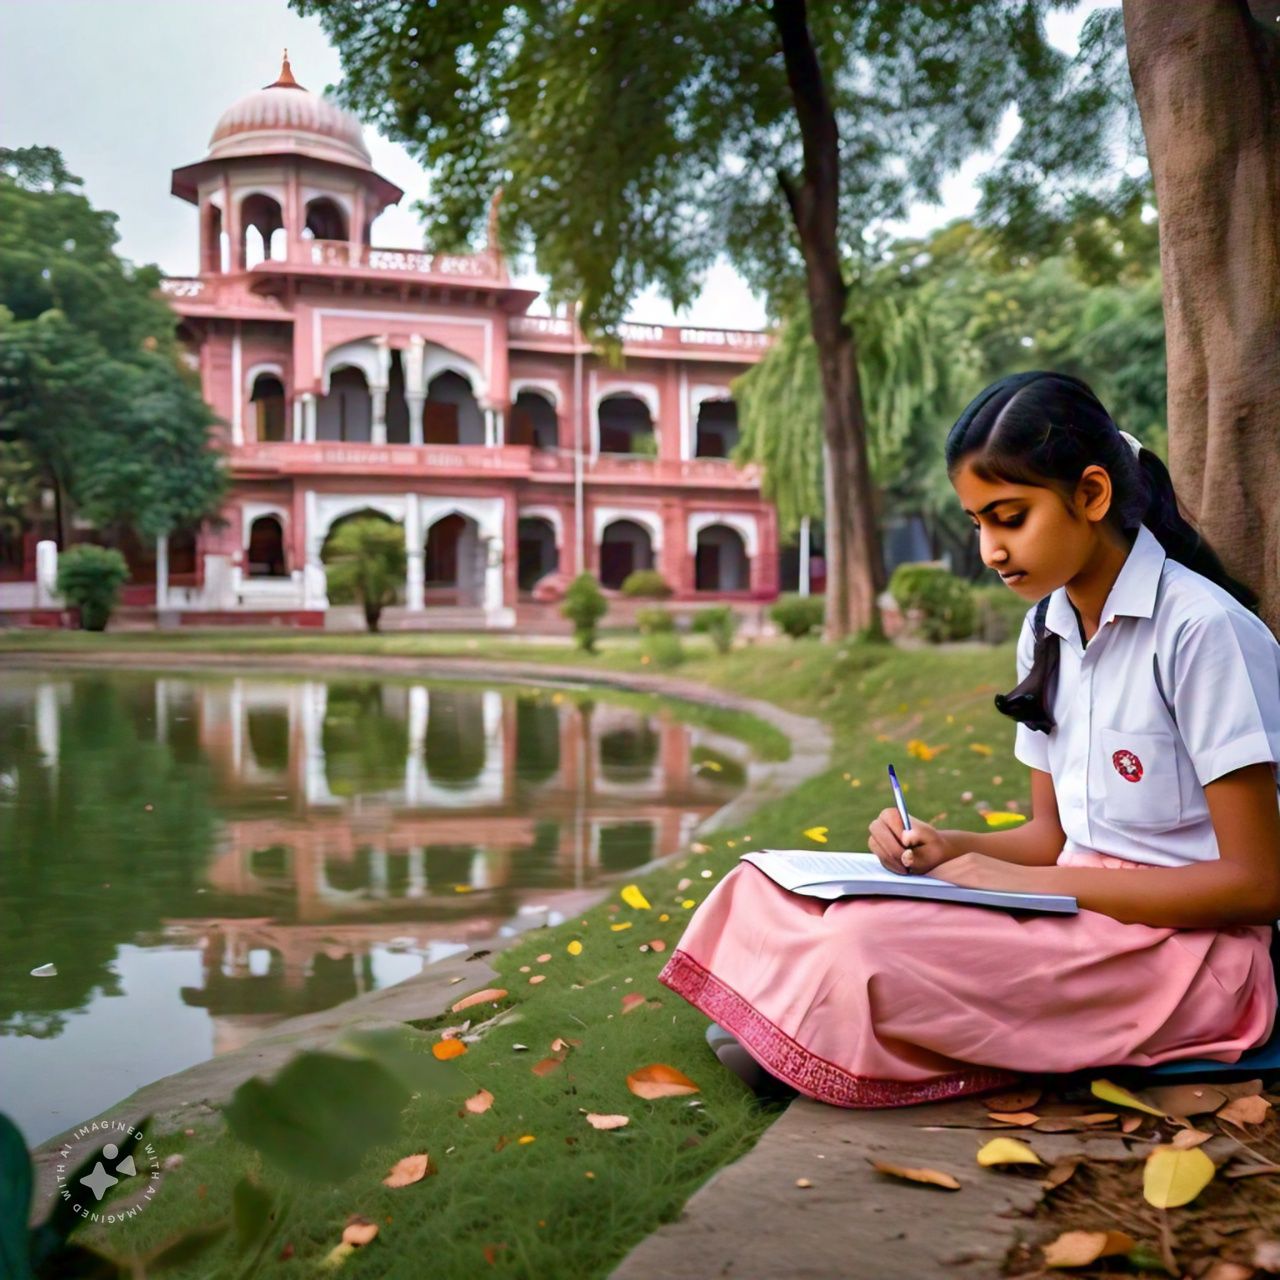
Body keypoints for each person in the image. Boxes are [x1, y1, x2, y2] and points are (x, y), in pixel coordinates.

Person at [659, 371, 1280, 1106]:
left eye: (1009, 517)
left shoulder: (1201, 630)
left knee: (863, 948)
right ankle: (806, 1028)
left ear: (1091, 495)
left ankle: (805, 1033)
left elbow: (1256, 885)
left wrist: (1029, 885)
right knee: (769, 890)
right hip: (1074, 918)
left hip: (1182, 956)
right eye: (977, 521)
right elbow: (1051, 837)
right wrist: (950, 847)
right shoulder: (1045, 630)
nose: (989, 549)